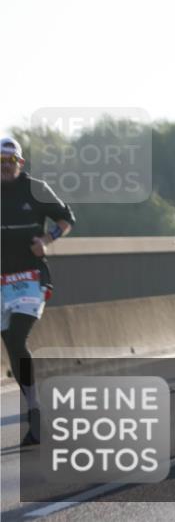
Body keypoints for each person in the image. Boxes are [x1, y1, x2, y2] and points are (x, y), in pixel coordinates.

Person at [1, 137, 75, 446]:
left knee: (18, 336)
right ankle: (35, 409)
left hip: (31, 277)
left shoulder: (36, 188)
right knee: (12, 346)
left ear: (20, 163)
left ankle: (34, 412)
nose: (5, 168)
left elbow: (66, 219)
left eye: (10, 162)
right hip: (2, 280)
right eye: (0, 163)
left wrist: (47, 239)